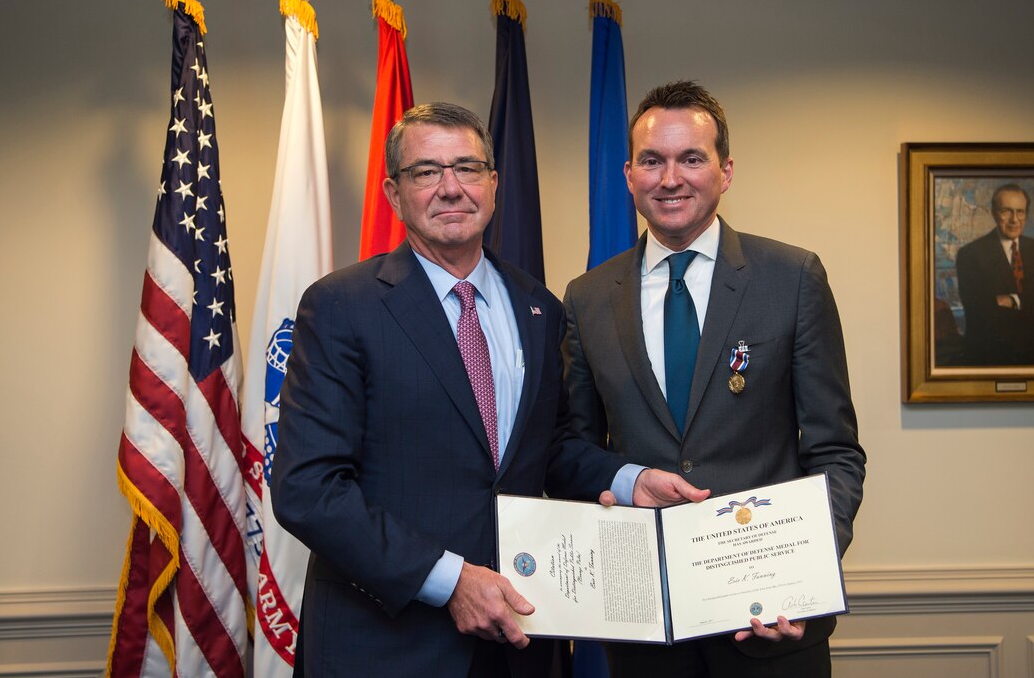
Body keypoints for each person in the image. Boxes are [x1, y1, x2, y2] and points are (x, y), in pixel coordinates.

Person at [270, 102, 707, 677]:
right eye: (426, 172)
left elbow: (549, 451)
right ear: (393, 193)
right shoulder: (341, 307)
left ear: (494, 185)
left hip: (522, 644)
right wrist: (449, 581)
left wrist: (632, 481)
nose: (451, 188)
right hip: (385, 648)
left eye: (468, 168)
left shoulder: (540, 309)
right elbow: (308, 488)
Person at [561, 81, 866, 677]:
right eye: (652, 160)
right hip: (645, 632)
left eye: (690, 159)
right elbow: (570, 449)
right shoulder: (588, 296)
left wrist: (801, 576)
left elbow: (835, 450)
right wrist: (632, 479)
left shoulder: (792, 278)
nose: (670, 178)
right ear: (629, 175)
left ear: (725, 172)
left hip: (769, 630)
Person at [955, 183, 1034, 366]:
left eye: (1020, 212)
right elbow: (980, 310)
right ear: (994, 213)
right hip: (990, 361)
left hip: (1033, 359)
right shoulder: (971, 255)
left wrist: (1015, 301)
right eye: (1006, 211)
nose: (1014, 219)